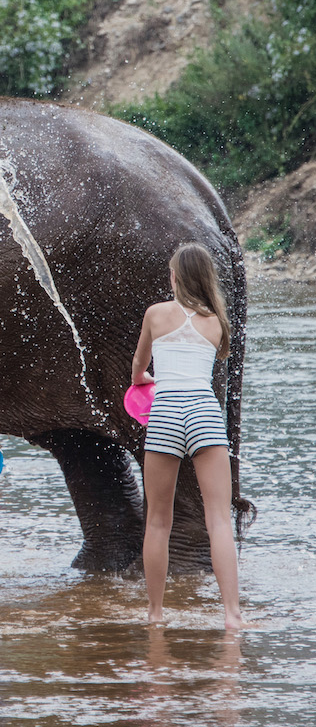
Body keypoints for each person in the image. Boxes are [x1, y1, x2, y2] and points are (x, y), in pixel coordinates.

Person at [133, 242, 242, 631]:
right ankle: (232, 615)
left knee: (159, 521)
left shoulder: (156, 314)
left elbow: (139, 369)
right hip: (203, 412)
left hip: (165, 411)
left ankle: (155, 614)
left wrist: (145, 381)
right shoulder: (217, 322)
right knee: (219, 520)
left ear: (175, 276)